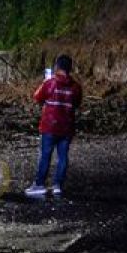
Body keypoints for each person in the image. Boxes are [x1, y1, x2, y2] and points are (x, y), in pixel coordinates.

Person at [25, 54, 83, 198]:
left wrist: (44, 83)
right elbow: (76, 103)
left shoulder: (50, 83)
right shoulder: (75, 87)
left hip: (50, 126)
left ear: (57, 66)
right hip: (67, 127)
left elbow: (37, 97)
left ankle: (39, 185)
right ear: (70, 68)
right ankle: (58, 186)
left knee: (45, 156)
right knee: (63, 157)